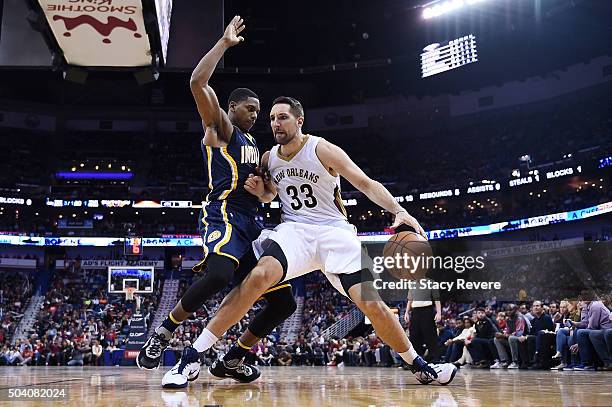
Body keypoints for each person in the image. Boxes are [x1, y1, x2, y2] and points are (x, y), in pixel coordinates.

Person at [187, 96, 457, 385]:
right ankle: (193, 354)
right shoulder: (268, 158)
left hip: (334, 232)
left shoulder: (322, 148)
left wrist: (400, 211)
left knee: (373, 305)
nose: (276, 123)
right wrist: (260, 192)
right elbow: (268, 195)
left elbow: (364, 183)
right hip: (296, 232)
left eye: (283, 118)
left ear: (299, 120)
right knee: (259, 276)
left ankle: (417, 363)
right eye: (273, 119)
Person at [137, 16, 296, 387]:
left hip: (252, 222)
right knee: (221, 273)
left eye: (260, 112)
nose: (257, 116)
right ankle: (164, 331)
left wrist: (265, 193)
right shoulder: (223, 129)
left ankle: (233, 357)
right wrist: (223, 43)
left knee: (283, 302)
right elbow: (196, 82)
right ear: (233, 107)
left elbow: (270, 193)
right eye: (252, 109)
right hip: (222, 213)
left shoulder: (259, 147)